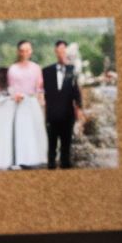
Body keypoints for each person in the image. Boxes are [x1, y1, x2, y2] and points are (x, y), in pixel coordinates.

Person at [42, 39, 86, 170]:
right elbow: (41, 92)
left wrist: (79, 108)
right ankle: (51, 169)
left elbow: (76, 91)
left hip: (68, 114)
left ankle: (65, 170)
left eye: (64, 51)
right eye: (59, 50)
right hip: (52, 114)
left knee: (66, 146)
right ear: (55, 51)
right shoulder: (46, 71)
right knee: (51, 146)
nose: (62, 53)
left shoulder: (72, 70)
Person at [6, 39, 46, 168]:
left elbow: (39, 88)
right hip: (19, 103)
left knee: (35, 129)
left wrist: (42, 103)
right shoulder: (13, 69)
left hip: (32, 102)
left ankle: (36, 158)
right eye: (22, 50)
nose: (25, 53)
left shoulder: (36, 68)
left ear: (31, 51)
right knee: (21, 131)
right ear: (18, 52)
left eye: (27, 50)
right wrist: (14, 95)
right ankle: (21, 159)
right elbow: (10, 88)